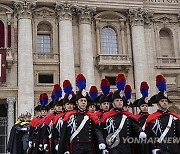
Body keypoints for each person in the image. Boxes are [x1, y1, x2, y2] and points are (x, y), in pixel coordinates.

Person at [59, 74, 108, 154]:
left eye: (85, 101)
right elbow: (66, 134)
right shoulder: (70, 116)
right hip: (75, 147)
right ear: (76, 102)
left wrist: (101, 141)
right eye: (81, 101)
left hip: (89, 147)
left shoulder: (91, 116)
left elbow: (97, 131)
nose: (83, 102)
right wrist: (66, 149)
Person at [101, 73, 147, 154]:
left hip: (127, 146)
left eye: (121, 100)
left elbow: (135, 126)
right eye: (117, 100)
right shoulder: (107, 116)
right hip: (113, 146)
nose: (119, 102)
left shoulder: (128, 115)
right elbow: (103, 132)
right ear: (113, 102)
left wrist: (140, 132)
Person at [145, 75, 180, 154]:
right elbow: (149, 137)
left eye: (166, 101)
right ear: (158, 104)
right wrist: (153, 148)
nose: (164, 102)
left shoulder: (174, 118)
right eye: (162, 101)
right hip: (160, 150)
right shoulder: (153, 118)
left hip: (174, 150)